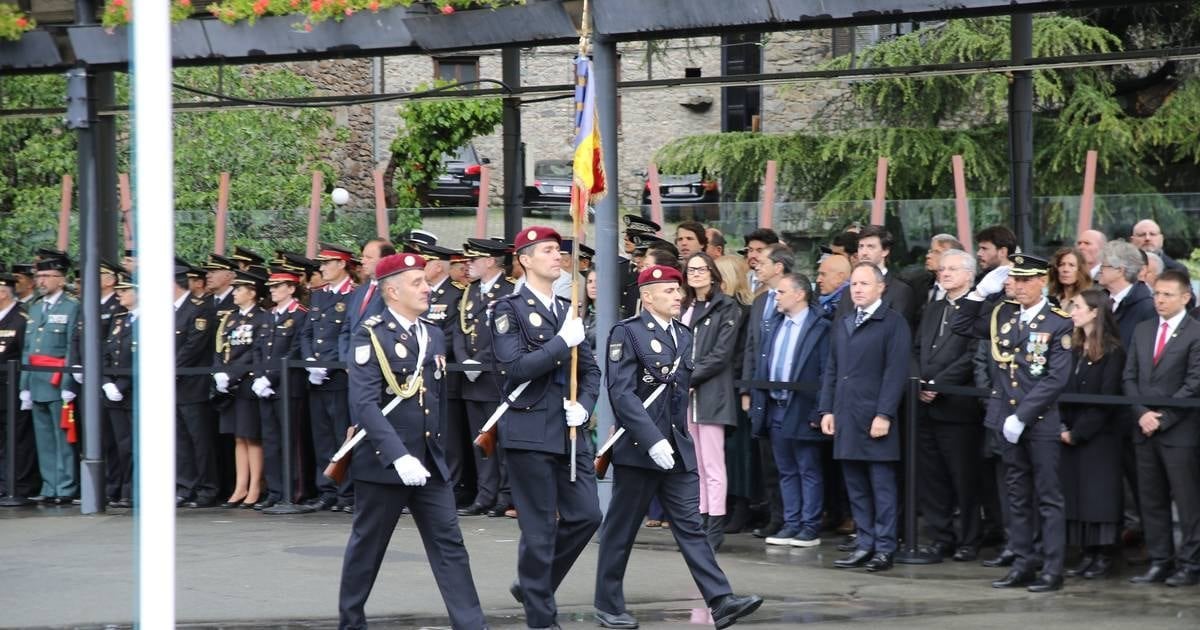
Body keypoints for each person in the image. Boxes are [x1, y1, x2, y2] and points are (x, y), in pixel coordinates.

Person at [595, 264, 763, 630]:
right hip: (641, 450)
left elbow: (676, 396)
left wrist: (673, 440)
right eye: (669, 291)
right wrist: (651, 440)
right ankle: (608, 604)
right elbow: (622, 395)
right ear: (647, 296)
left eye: (678, 290)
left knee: (691, 527)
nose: (678, 296)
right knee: (621, 530)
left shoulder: (683, 335)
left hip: (676, 447)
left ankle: (720, 601)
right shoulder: (628, 333)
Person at [338, 252, 487, 630]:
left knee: (450, 545)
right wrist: (398, 457)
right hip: (385, 463)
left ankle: (471, 624)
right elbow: (365, 404)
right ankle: (350, 621)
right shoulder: (370, 333)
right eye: (417, 283)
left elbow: (431, 402)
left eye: (424, 281)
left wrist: (428, 454)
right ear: (392, 290)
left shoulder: (432, 333)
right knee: (368, 548)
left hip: (429, 462)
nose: (426, 289)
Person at [490, 226, 603, 630]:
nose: (558, 257)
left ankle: (535, 585)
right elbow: (514, 367)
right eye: (549, 250)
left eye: (559, 251)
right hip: (528, 429)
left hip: (568, 431)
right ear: (524, 259)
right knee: (538, 531)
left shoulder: (565, 309)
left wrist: (584, 407)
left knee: (587, 516)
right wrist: (559, 344)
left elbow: (590, 372)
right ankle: (543, 620)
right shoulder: (508, 309)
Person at [951, 254, 1073, 592]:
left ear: (1041, 282)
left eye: (1025, 280)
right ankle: (1023, 562)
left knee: (1047, 497)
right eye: (1014, 280)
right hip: (1005, 420)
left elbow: (1055, 378)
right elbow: (961, 327)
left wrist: (1022, 416)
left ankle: (1052, 568)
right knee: (1016, 495)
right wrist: (977, 294)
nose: (1017, 287)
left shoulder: (1058, 322)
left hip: (1039, 422)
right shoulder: (1003, 314)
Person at [819, 263, 911, 572]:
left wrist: (884, 413)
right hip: (846, 415)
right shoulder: (844, 321)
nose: (857, 289)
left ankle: (884, 547)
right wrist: (827, 409)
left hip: (873, 417)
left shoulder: (893, 323)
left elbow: (895, 372)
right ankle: (864, 543)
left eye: (864, 284)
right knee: (855, 486)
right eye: (854, 284)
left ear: (880, 288)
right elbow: (832, 369)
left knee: (881, 486)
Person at [1123, 269, 1200, 587]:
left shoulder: (1196, 333)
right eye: (1156, 293)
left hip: (1179, 432)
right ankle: (1160, 561)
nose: (1160, 300)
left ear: (1185, 297)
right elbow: (1129, 376)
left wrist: (1162, 418)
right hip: (1143, 430)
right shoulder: (1143, 330)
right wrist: (1142, 413)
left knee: (1187, 502)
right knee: (1151, 499)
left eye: (1167, 294)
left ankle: (1191, 564)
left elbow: (1194, 384)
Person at [749, 272, 830, 548]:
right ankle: (791, 522)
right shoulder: (774, 324)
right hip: (775, 406)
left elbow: (825, 372)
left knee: (807, 468)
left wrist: (819, 411)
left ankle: (809, 525)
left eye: (782, 292)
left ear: (799, 294)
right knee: (785, 469)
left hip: (803, 406)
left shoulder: (820, 327)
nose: (777, 297)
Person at [914, 250, 983, 561]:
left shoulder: (980, 310)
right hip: (926, 406)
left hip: (958, 408)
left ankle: (969, 538)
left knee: (964, 478)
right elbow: (916, 348)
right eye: (942, 269)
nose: (944, 273)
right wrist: (918, 382)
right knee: (932, 477)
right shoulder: (933, 308)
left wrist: (938, 385)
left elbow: (972, 356)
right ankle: (940, 535)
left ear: (969, 275)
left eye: (953, 269)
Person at [1058, 288, 1126, 580]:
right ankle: (1087, 552)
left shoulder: (1112, 351)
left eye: (1078, 307)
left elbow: (1106, 399)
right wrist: (1063, 427)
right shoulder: (1074, 349)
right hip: (1071, 432)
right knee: (1079, 493)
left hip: (1100, 437)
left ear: (1095, 312)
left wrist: (1078, 433)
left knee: (1099, 495)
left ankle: (1104, 554)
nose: (1072, 311)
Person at [680, 252, 745, 549]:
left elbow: (721, 355)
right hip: (686, 396)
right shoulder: (684, 305)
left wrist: (688, 378)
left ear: (712, 272)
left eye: (701, 269)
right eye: (691, 269)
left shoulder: (727, 307)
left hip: (710, 394)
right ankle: (701, 520)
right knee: (695, 464)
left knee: (713, 464)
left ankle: (714, 526)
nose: (695, 274)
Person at [455, 238, 517, 518]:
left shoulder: (509, 291)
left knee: (500, 440)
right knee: (479, 441)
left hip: (495, 377)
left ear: (490, 261)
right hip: (471, 379)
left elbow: (506, 334)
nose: (469, 265)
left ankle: (504, 495)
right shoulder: (470, 292)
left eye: (474, 260)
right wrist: (463, 360)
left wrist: (479, 362)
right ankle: (484, 494)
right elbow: (459, 330)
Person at [740, 243, 794, 538]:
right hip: (761, 392)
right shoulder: (760, 302)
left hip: (788, 392)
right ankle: (776, 516)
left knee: (790, 462)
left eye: (763, 262)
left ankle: (793, 518)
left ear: (779, 267)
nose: (756, 265)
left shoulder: (798, 298)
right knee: (768, 460)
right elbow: (751, 348)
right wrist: (747, 388)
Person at [302, 244, 358, 512]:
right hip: (316, 376)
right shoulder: (318, 296)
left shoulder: (354, 296)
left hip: (338, 377)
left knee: (341, 435)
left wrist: (329, 363)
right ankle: (327, 490)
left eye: (326, 263)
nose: (321, 268)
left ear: (342, 265)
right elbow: (307, 333)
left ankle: (347, 492)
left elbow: (349, 334)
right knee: (322, 436)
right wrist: (310, 361)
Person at [21, 255, 79, 504]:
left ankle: (66, 486)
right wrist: (24, 385)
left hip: (58, 380)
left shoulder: (71, 306)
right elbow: (27, 349)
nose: (41, 281)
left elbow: (70, 348)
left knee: (63, 435)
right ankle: (50, 484)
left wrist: (68, 383)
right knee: (43, 437)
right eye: (39, 276)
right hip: (36, 380)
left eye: (47, 276)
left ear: (61, 279)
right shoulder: (35, 307)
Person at [212, 270, 269, 509]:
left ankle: (256, 485)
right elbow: (220, 347)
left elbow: (253, 351)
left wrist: (233, 374)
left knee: (252, 437)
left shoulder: (261, 318)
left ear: (252, 293)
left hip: (246, 383)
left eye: (239, 290)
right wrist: (219, 372)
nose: (235, 294)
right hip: (230, 385)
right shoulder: (231, 318)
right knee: (238, 437)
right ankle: (240, 485)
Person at [253, 268, 308, 509]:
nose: (273, 291)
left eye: (278, 286)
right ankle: (275, 491)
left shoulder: (299, 316)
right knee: (271, 440)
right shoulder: (269, 315)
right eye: (271, 287)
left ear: (291, 288)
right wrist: (259, 376)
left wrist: (271, 378)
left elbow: (294, 350)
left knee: (291, 441)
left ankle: (293, 490)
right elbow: (258, 349)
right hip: (266, 388)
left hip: (288, 387)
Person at [173, 265, 217, 508]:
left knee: (199, 440)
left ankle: (207, 487)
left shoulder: (199, 310)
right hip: (174, 386)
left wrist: (169, 369)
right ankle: (185, 485)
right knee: (180, 439)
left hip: (192, 384)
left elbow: (193, 346)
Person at [98, 279, 137, 508]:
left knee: (131, 445)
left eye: (125, 291)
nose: (119, 295)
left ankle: (131, 491)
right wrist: (106, 383)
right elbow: (105, 353)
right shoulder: (119, 319)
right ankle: (116, 487)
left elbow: (142, 357)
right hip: (112, 390)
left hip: (132, 392)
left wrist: (120, 385)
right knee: (115, 444)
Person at [833, 225, 916, 326]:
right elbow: (837, 329)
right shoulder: (848, 291)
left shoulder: (900, 291)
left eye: (870, 247)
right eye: (861, 246)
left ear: (885, 251)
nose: (864, 252)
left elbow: (898, 333)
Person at [0, 274, 37, 498]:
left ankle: (18, 484)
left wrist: (26, 387)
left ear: (3, 292)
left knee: (17, 439)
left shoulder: (21, 318)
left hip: (11, 389)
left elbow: (27, 353)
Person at [1098, 240, 1156, 348]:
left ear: (1120, 270)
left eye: (1104, 266)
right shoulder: (1100, 300)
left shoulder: (1147, 308)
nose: (1099, 270)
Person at [1048, 247, 1092, 312]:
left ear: (1081, 270)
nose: (1065, 269)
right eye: (1061, 264)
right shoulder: (1050, 300)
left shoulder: (1089, 300)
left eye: (1071, 265)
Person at [742, 228, 779, 295]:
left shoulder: (780, 284)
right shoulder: (741, 279)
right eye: (750, 250)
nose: (753, 255)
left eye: (759, 251)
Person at [816, 254, 851, 320]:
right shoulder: (825, 303)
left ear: (840, 277)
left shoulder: (850, 307)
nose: (818, 280)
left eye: (823, 274)